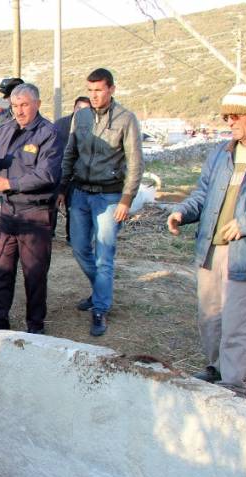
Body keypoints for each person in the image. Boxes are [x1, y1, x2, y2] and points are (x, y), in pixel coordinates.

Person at [166, 83, 246, 397]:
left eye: (234, 116)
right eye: (225, 116)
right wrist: (182, 212)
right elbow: (203, 195)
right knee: (210, 317)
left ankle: (233, 386)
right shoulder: (221, 152)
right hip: (211, 248)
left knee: (236, 324)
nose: (228, 122)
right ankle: (216, 369)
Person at [58, 68, 143, 336]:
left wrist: (126, 199)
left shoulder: (126, 119)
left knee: (104, 254)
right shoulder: (80, 117)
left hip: (109, 197)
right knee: (79, 247)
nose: (94, 95)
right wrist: (62, 187)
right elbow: (70, 153)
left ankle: (100, 308)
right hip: (80, 193)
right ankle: (100, 291)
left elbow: (136, 163)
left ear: (111, 90)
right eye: (90, 90)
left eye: (99, 90)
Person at [0, 83, 62, 334]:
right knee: (2, 271)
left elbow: (47, 174)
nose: (19, 111)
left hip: (36, 214)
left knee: (34, 275)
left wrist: (9, 183)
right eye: (15, 106)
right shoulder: (5, 129)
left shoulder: (49, 133)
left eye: (24, 105)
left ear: (37, 104)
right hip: (8, 211)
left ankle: (35, 327)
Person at [53, 96, 91, 242]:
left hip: (76, 176)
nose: (82, 112)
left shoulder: (92, 127)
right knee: (53, 205)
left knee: (73, 207)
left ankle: (72, 237)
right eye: (79, 108)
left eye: (86, 109)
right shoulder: (60, 125)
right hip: (58, 172)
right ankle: (49, 233)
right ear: (74, 108)